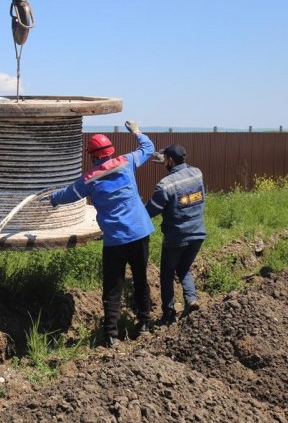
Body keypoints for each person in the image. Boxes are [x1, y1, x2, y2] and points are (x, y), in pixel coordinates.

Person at [47, 121, 155, 348]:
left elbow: (69, 194)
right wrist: (136, 131)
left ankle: (111, 335)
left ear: (92, 156)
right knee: (140, 279)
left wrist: (52, 199)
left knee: (113, 287)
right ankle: (145, 324)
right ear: (111, 150)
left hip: (115, 240)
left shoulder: (89, 179)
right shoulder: (127, 162)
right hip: (139, 232)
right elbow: (148, 148)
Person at [146, 145, 206, 325]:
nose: (164, 161)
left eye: (165, 159)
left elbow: (150, 211)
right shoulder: (197, 173)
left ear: (170, 161)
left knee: (167, 273)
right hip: (198, 234)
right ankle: (191, 298)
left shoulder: (165, 185)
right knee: (184, 268)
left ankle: (169, 313)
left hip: (176, 238)